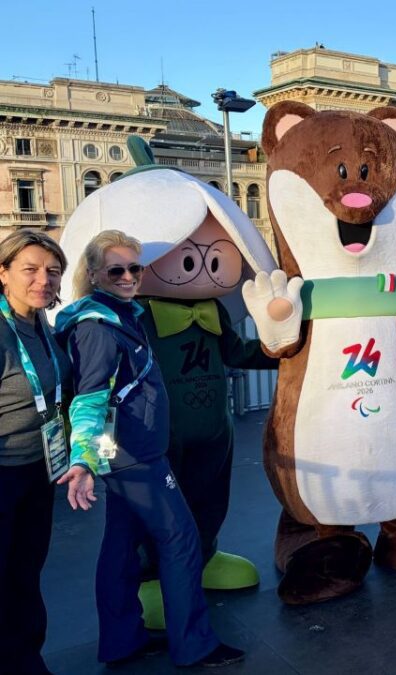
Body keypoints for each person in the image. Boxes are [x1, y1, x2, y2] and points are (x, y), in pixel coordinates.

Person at [54, 230, 244, 667]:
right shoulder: (99, 327)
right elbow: (90, 399)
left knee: (120, 546)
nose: (128, 277)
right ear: (94, 274)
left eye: (134, 269)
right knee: (181, 538)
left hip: (126, 450)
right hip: (134, 455)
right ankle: (194, 644)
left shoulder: (120, 315)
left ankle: (122, 641)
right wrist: (86, 458)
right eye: (116, 270)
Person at [0, 229, 71, 674]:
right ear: (3, 273)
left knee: (25, 574)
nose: (43, 280)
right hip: (4, 474)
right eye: (30, 269)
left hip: (38, 470)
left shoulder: (43, 326)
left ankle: (26, 660)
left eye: (53, 271)